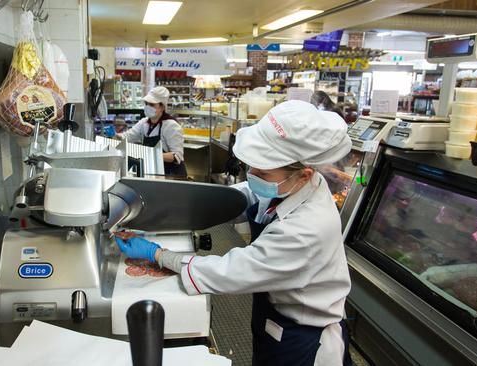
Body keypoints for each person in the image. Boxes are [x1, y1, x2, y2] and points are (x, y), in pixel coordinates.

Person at [116, 100, 353, 365]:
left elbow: (232, 271)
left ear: (304, 174)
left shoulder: (307, 229)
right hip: (273, 315)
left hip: (304, 339)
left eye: (261, 171)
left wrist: (159, 254)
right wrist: (159, 209)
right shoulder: (291, 185)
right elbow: (241, 197)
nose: (251, 175)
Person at [113, 86, 187, 178]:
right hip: (155, 173)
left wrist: (151, 154)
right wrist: (113, 135)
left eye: (152, 104)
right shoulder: (144, 123)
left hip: (172, 176)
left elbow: (176, 156)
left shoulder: (171, 125)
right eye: (146, 103)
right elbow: (127, 137)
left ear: (162, 107)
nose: (148, 107)